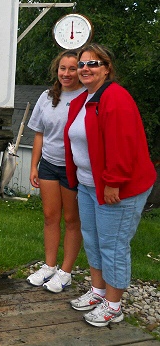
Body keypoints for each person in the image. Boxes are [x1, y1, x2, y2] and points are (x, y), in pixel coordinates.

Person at [64, 43, 156, 327]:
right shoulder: (83, 99)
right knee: (92, 239)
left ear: (107, 68)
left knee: (113, 245)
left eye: (93, 63)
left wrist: (113, 183)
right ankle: (98, 292)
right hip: (89, 185)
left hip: (118, 189)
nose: (85, 68)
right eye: (82, 64)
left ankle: (114, 306)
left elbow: (122, 145)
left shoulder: (115, 98)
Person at [26, 50, 85, 293]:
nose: (67, 73)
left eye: (73, 69)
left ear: (80, 71)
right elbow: (39, 133)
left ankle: (66, 272)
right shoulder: (46, 97)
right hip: (49, 164)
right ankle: (49, 266)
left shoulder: (87, 96)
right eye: (63, 68)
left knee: (72, 220)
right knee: (51, 217)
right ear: (57, 69)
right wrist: (34, 165)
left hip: (73, 166)